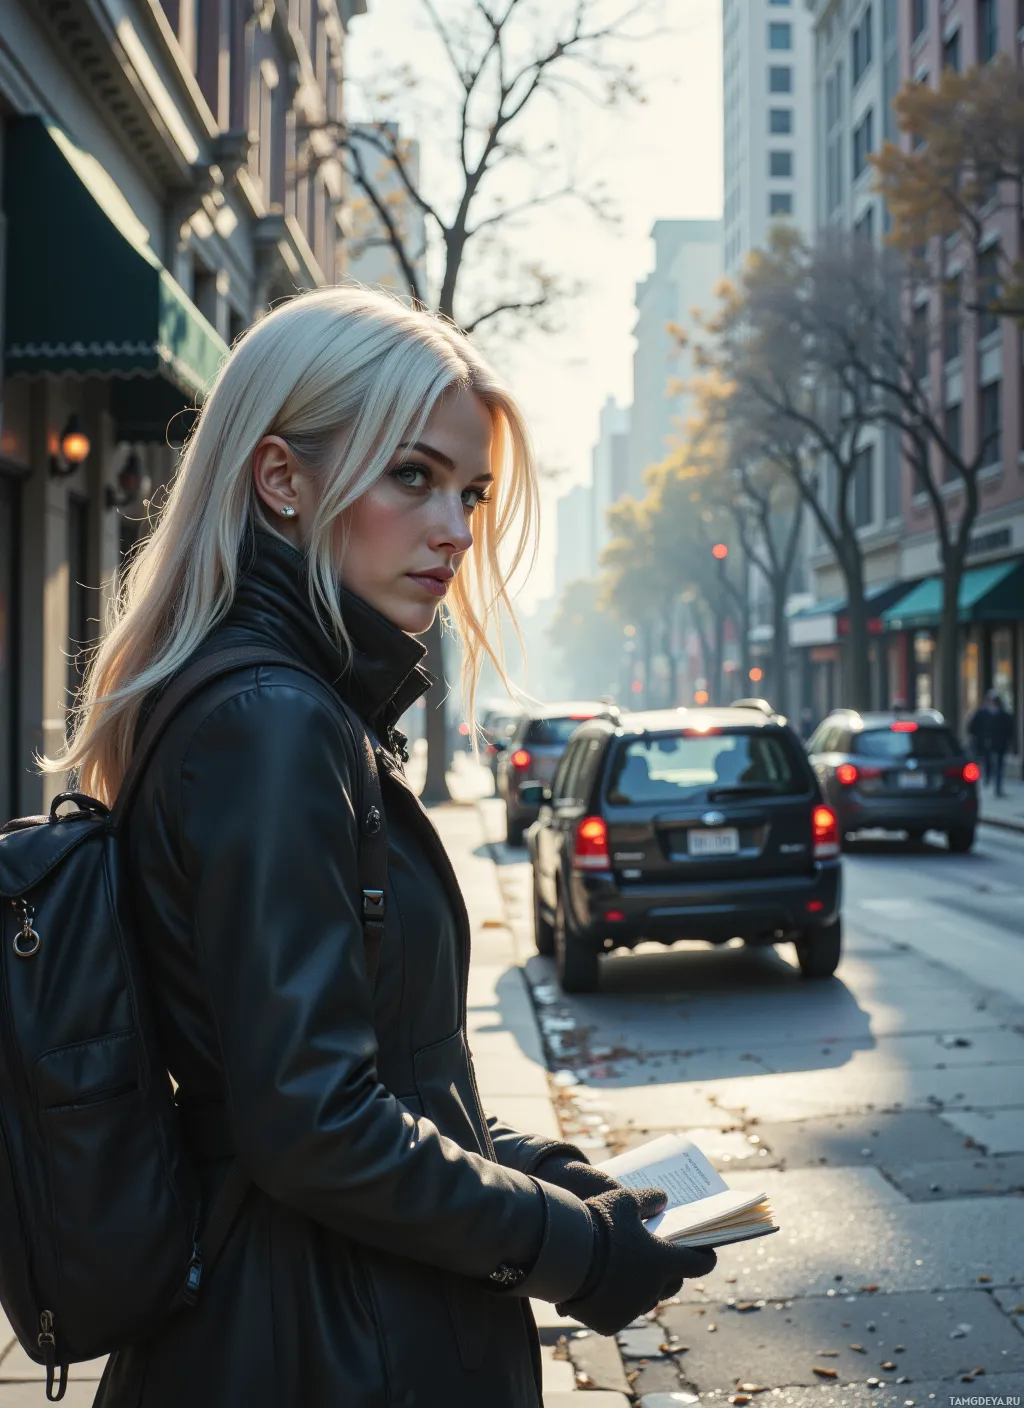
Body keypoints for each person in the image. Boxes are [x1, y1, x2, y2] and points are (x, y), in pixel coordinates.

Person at [47, 287, 714, 1407]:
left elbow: (376, 1074)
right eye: (413, 476)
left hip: (320, 1315)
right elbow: (314, 1124)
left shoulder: (285, 704)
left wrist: (552, 1175)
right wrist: (576, 1250)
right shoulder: (271, 721)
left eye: (469, 490)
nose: (454, 528)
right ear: (281, 479)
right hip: (327, 1341)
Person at [968, 689, 1015, 798]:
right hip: (985, 744)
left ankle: (997, 787)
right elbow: (972, 728)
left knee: (998, 766)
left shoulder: (1004, 715)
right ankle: (988, 780)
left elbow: (1010, 729)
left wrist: (1008, 740)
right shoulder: (981, 714)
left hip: (999, 744)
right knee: (987, 763)